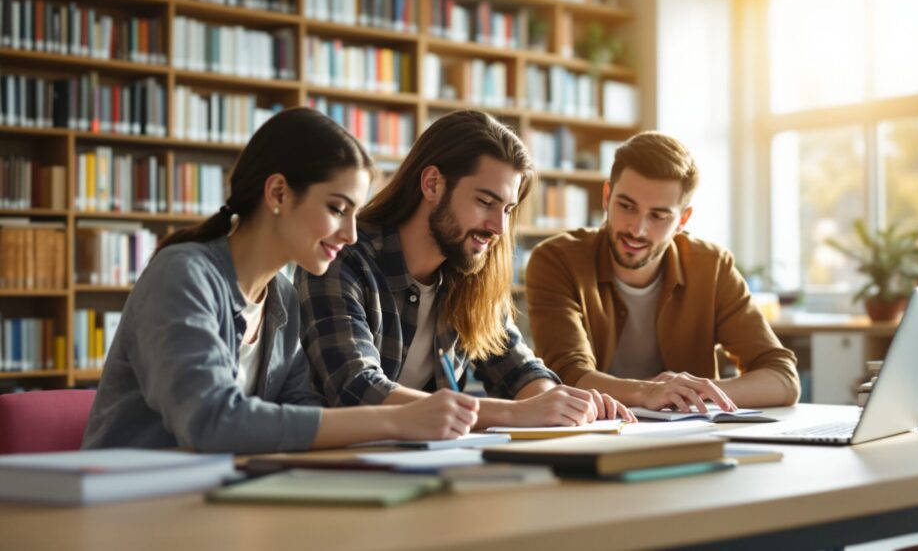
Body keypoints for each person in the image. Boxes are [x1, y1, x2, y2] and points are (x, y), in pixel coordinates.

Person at [82, 107, 479, 453]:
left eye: (355, 214)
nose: (351, 235)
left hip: (219, 498)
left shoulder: (282, 298)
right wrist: (396, 420)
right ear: (278, 193)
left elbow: (302, 411)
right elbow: (211, 421)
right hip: (129, 502)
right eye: (337, 209)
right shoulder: (183, 275)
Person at [296, 110, 634, 426]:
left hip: (426, 460)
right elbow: (356, 389)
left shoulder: (468, 271)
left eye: (507, 209)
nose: (499, 228)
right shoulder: (341, 257)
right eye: (485, 202)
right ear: (432, 184)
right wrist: (515, 413)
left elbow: (519, 371)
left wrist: (558, 404)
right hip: (336, 460)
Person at [525, 131, 800, 412]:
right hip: (592, 430)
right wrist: (649, 392)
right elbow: (568, 375)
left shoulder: (712, 267)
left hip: (690, 434)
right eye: (626, 206)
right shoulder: (556, 260)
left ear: (683, 220)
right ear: (607, 197)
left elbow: (782, 378)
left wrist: (693, 393)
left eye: (658, 216)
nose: (637, 229)